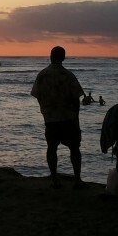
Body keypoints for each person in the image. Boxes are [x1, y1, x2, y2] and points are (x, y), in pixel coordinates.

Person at [30, 46, 87, 189]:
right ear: (63, 58)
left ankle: (55, 179)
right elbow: (76, 98)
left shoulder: (42, 75)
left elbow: (38, 95)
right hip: (68, 117)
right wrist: (76, 115)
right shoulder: (68, 75)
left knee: (51, 148)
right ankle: (77, 179)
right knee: (74, 148)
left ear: (50, 56)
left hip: (50, 118)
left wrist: (45, 110)